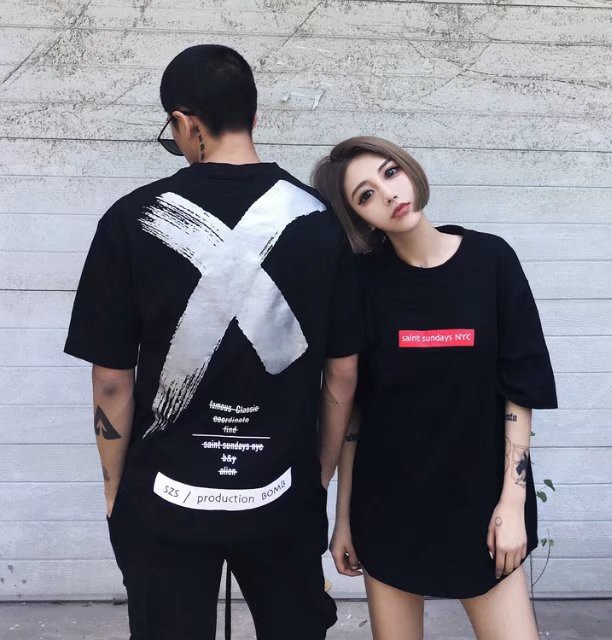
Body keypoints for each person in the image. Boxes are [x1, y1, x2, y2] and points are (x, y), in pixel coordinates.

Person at [64, 45, 364, 640]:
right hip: (281, 494)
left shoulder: (131, 218)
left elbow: (112, 381)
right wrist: (318, 479)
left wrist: (115, 489)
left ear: (185, 122)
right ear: (254, 116)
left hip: (165, 499)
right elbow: (344, 373)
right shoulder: (321, 223)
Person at [312, 136, 558, 640]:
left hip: (480, 505)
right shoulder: (363, 283)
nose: (387, 193)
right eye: (365, 195)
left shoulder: (492, 260)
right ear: (358, 217)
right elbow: (357, 413)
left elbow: (520, 387)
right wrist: (344, 517)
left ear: (409, 170)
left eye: (390, 172)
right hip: (389, 509)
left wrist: (512, 504)